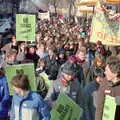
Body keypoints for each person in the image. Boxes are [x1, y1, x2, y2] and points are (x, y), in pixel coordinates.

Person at [95, 56, 120, 120]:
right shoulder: (104, 83)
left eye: (107, 70)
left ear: (115, 74)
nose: (104, 72)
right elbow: (99, 107)